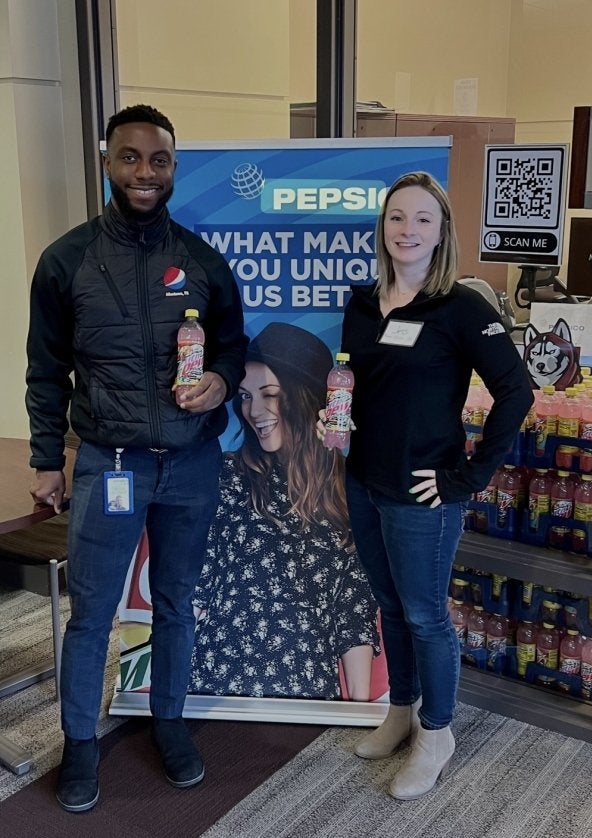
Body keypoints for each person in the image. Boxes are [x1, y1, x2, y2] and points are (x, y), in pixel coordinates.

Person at [25, 104, 248, 813]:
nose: (144, 173)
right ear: (107, 163)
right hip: (107, 465)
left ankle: (169, 723)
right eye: (130, 158)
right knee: (92, 615)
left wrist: (221, 380)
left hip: (191, 466)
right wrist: (44, 459)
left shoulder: (205, 262)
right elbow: (44, 369)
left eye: (158, 161)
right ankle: (81, 745)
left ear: (174, 168)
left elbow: (235, 348)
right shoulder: (66, 261)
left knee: (176, 605)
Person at [321, 171, 533, 801]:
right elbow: (357, 383)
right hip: (362, 478)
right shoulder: (361, 304)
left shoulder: (462, 307)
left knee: (423, 614)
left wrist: (468, 476)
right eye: (396, 218)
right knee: (390, 607)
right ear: (381, 227)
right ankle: (401, 711)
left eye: (421, 219)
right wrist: (335, 418)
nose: (407, 230)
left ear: (442, 233)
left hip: (423, 492)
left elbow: (516, 391)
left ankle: (436, 733)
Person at [189, 322, 380, 701]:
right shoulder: (227, 474)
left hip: (307, 690)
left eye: (270, 395)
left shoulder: (346, 490)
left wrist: (358, 711)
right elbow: (197, 587)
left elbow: (353, 610)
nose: (253, 411)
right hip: (215, 683)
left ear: (306, 398)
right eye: (244, 396)